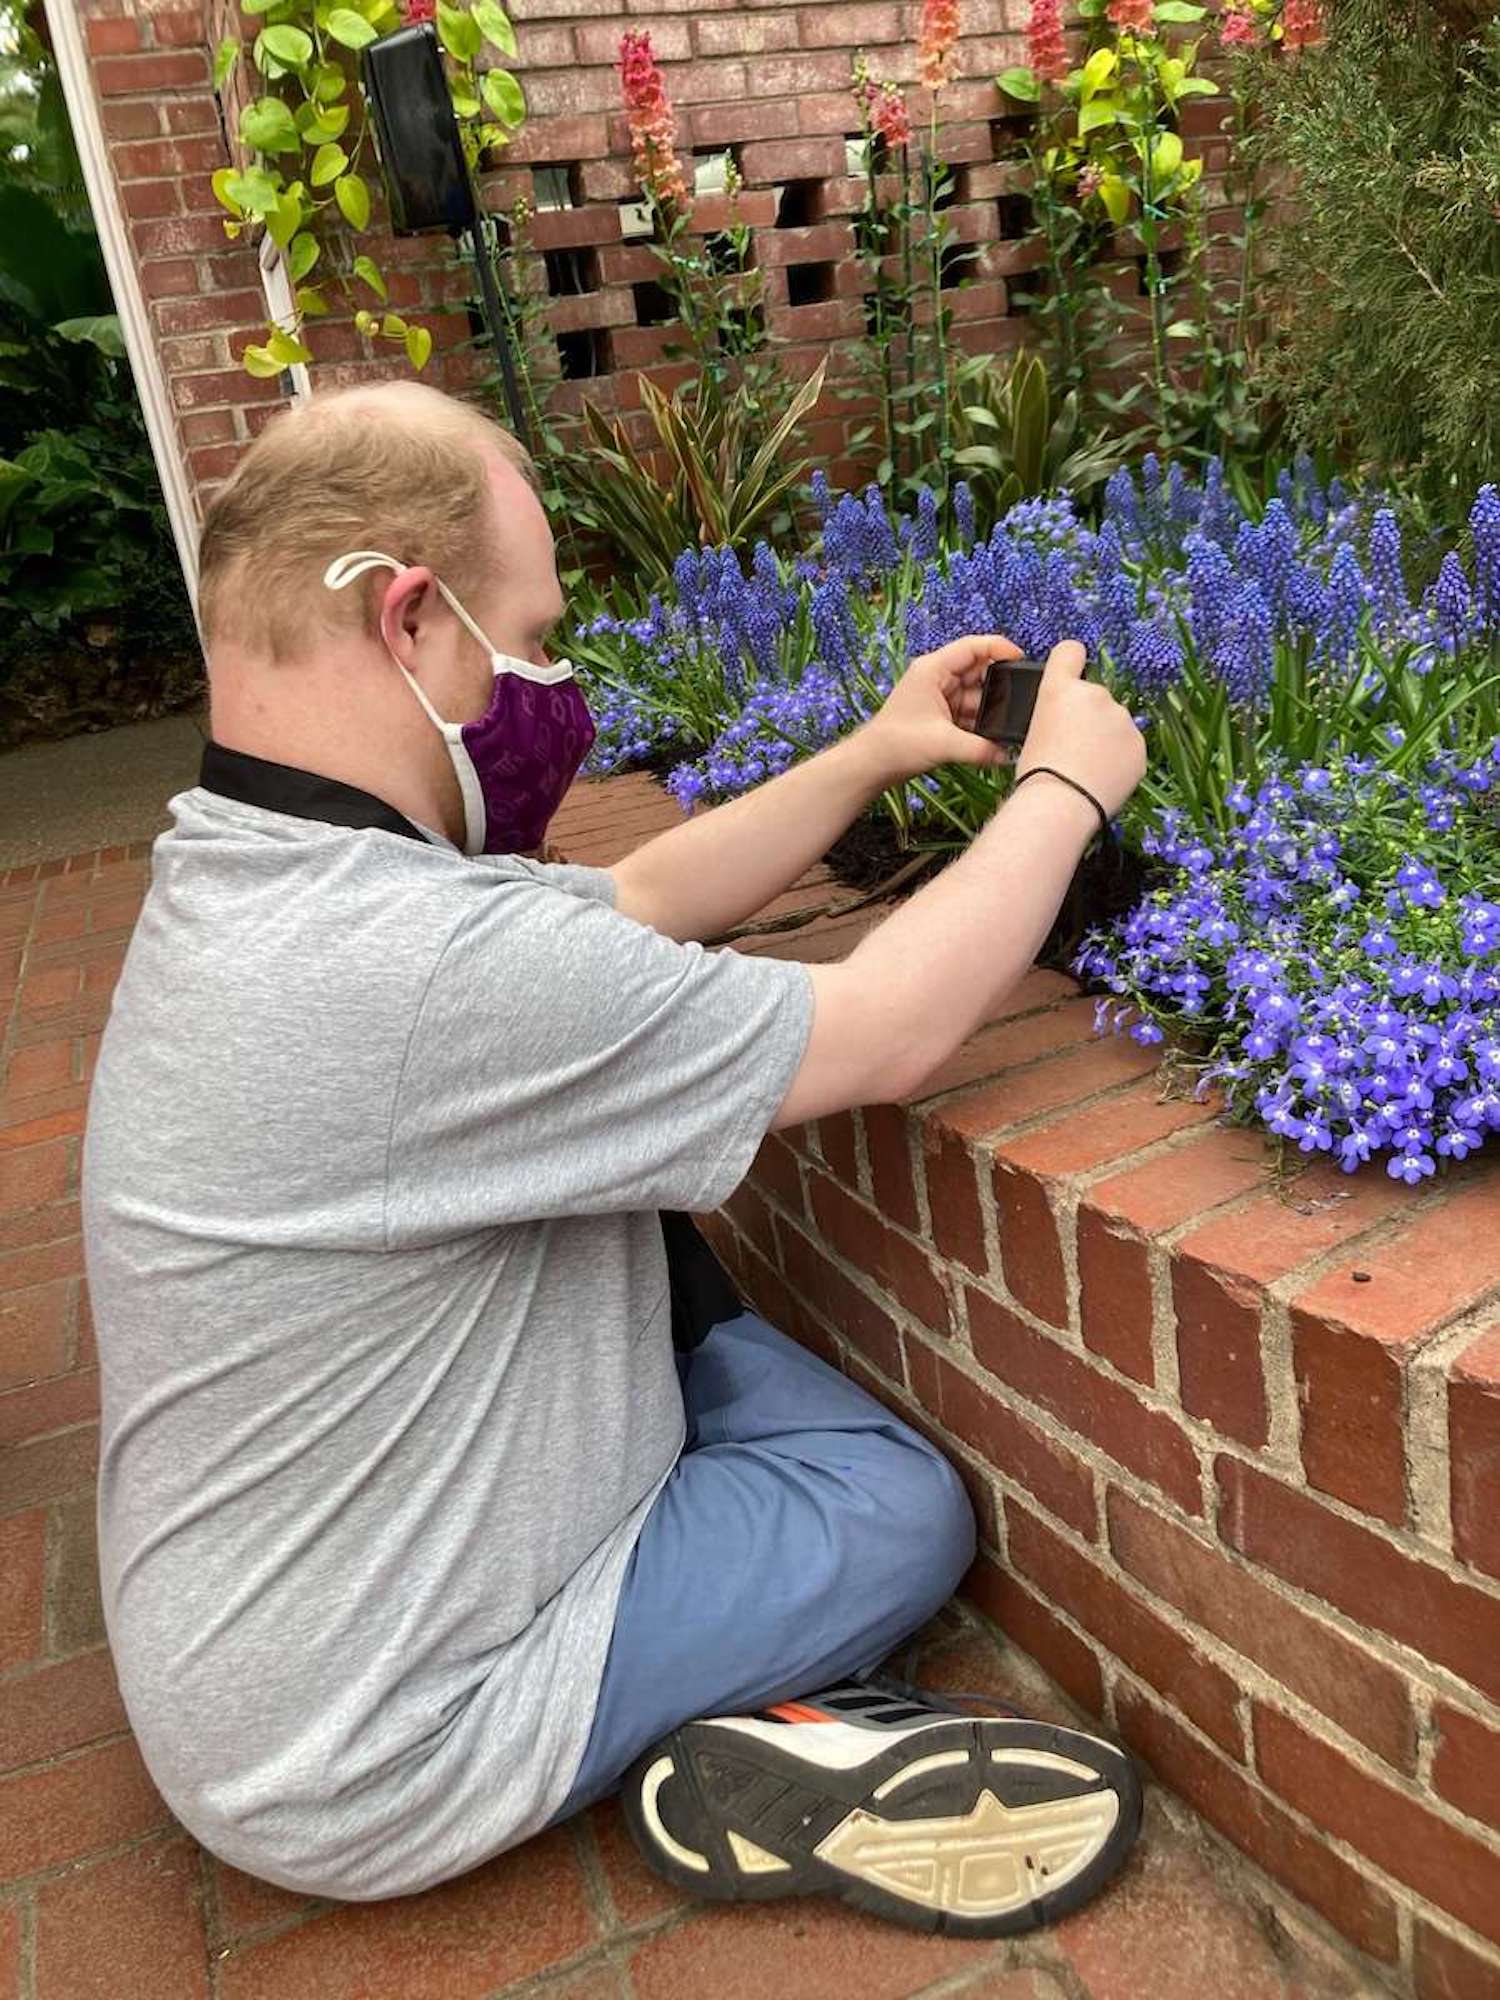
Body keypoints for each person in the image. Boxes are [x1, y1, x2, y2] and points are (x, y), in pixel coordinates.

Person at [82, 380, 1148, 1937]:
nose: (552, 679)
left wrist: (873, 750)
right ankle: (735, 1729)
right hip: (374, 1745)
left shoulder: (258, 868)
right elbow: (887, 1030)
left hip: (252, 1646)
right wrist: (1065, 787)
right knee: (891, 1508)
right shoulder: (414, 969)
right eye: (532, 634)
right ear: (411, 620)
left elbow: (634, 900)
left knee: (627, 1212)